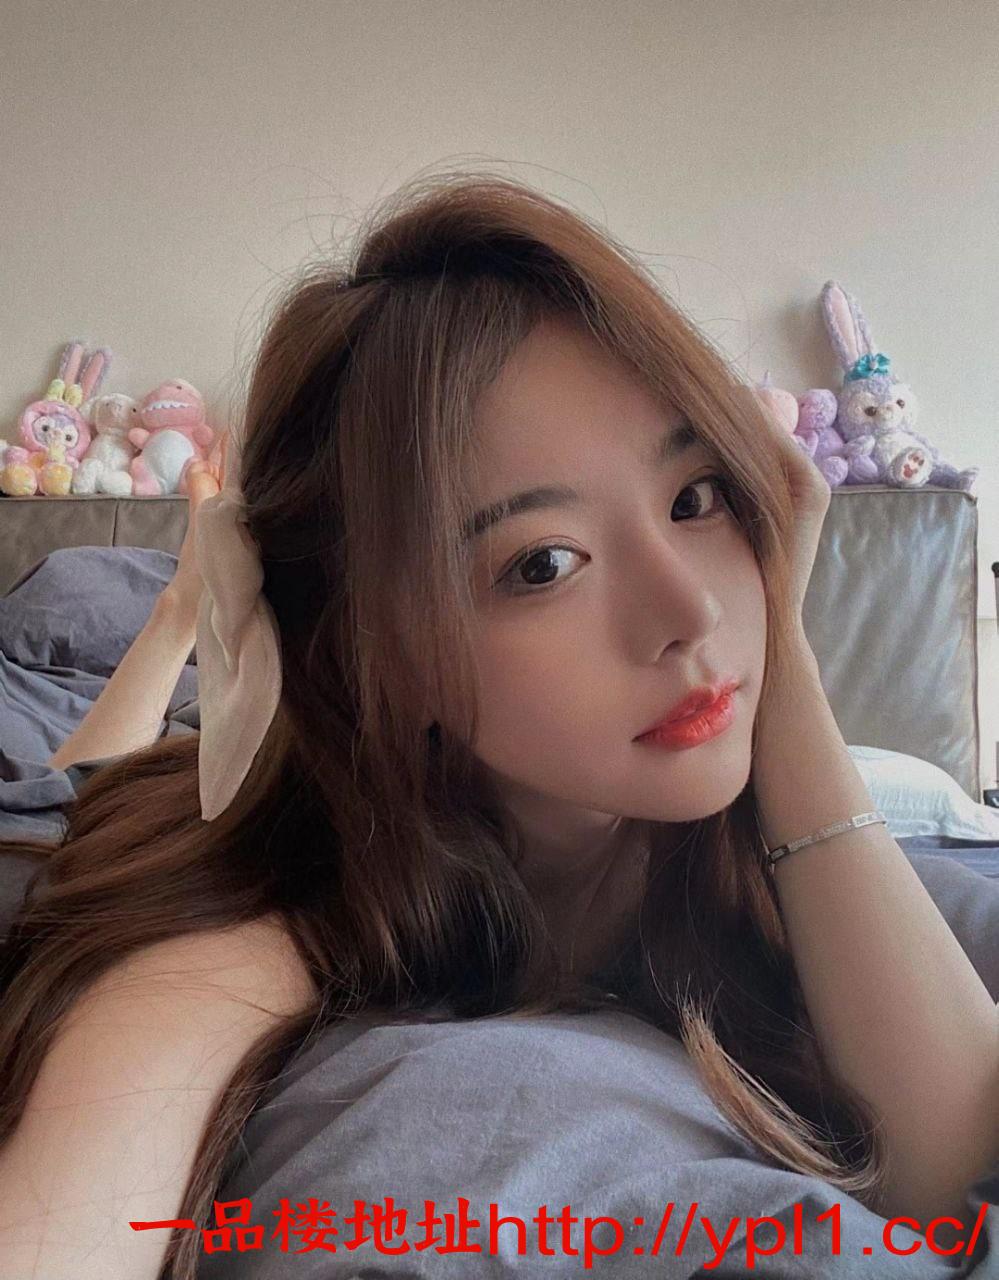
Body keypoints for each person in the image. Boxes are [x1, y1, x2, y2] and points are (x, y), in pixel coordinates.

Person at [0, 170, 995, 1280]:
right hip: (225, 779)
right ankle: (183, 606)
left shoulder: (763, 843)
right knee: (100, 790)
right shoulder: (271, 914)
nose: (690, 613)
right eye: (543, 564)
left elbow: (952, 1169)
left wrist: (790, 675)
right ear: (379, 647)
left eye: (696, 496)